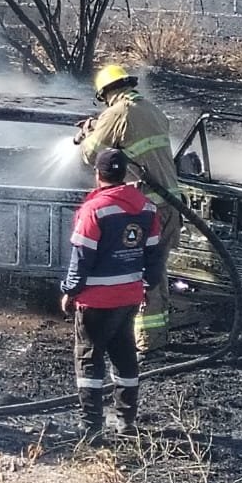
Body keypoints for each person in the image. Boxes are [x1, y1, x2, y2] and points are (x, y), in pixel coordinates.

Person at [60, 147, 165, 441]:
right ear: (123, 174)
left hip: (95, 301)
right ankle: (126, 423)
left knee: (90, 360)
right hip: (129, 298)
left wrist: (70, 291)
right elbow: (155, 254)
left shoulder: (95, 209)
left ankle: (91, 428)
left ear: (98, 174)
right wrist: (147, 285)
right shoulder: (146, 208)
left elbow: (82, 257)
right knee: (125, 357)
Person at [77, 63, 181, 354]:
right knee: (157, 273)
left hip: (151, 210)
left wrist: (90, 132)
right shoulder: (152, 109)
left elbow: (90, 155)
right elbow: (134, 146)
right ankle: (156, 338)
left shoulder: (117, 112)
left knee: (142, 274)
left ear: (105, 92)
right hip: (171, 204)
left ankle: (147, 342)